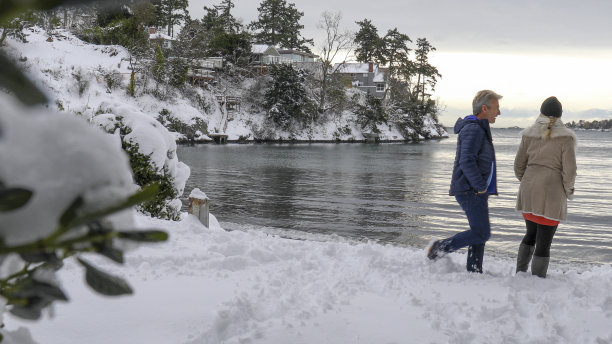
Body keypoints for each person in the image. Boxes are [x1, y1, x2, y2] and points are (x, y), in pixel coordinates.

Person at [427, 90, 502, 273]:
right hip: (470, 190)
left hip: (475, 190)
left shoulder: (479, 127)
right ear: (484, 108)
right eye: (496, 108)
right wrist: (480, 186)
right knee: (481, 232)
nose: (498, 112)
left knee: (478, 231)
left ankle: (474, 269)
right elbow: (466, 160)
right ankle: (441, 247)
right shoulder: (473, 128)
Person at [514, 96, 577, 278]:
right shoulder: (566, 138)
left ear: (541, 112)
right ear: (560, 115)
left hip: (528, 190)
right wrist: (568, 191)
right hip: (552, 192)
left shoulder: (528, 134)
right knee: (544, 242)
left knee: (530, 234)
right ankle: (537, 279)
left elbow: (518, 166)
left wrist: (527, 181)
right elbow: (570, 171)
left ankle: (520, 274)